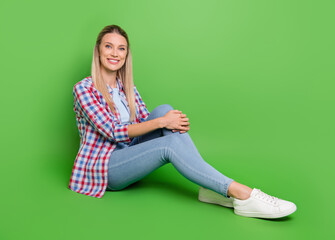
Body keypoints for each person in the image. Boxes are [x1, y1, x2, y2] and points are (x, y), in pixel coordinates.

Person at [69, 24, 297, 219]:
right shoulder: (84, 88)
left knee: (164, 111)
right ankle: (242, 194)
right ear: (98, 50)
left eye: (121, 49)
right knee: (167, 136)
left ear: (127, 55)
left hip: (128, 152)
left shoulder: (125, 88)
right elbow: (113, 131)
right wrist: (162, 124)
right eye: (108, 46)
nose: (115, 53)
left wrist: (166, 121)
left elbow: (142, 123)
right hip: (106, 168)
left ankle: (211, 188)